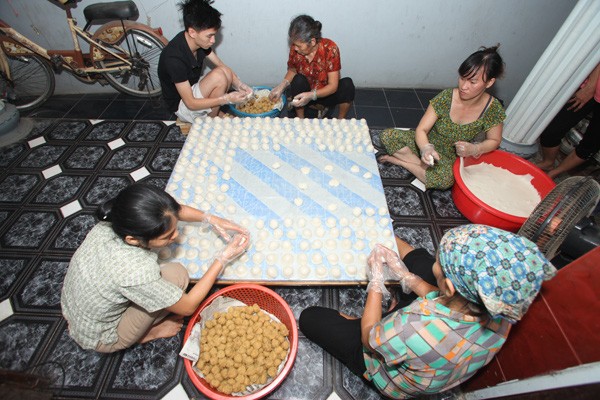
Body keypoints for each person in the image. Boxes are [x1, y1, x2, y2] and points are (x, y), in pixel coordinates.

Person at [300, 224, 556, 399]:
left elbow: (369, 337)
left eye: (441, 262)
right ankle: (390, 250)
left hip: (385, 366)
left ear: (449, 286)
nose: (438, 262)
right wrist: (405, 276)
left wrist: (376, 281)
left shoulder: (411, 327)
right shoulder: (501, 311)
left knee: (310, 318)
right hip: (437, 337)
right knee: (421, 264)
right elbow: (442, 294)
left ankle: (358, 320)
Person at [61, 183, 250, 353]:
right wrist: (222, 259)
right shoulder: (136, 270)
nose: (176, 236)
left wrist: (211, 219)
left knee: (159, 281)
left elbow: (172, 212)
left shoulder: (114, 221)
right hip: (100, 335)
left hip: (78, 307)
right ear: (133, 240)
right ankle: (146, 334)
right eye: (167, 236)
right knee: (177, 275)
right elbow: (188, 306)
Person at [377, 46, 506, 190]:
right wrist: (426, 148)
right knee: (387, 136)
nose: (464, 86)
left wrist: (475, 149)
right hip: (426, 143)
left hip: (448, 157)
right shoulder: (446, 97)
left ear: (489, 82)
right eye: (462, 78)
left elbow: (494, 140)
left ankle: (403, 162)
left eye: (472, 82)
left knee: (446, 180)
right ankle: (423, 167)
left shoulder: (492, 109)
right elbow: (422, 129)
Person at [157, 0, 253, 123]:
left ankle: (214, 114)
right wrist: (227, 99)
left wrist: (240, 85)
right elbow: (191, 103)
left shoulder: (198, 42)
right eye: (209, 36)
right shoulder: (174, 58)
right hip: (183, 105)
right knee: (219, 76)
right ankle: (210, 122)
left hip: (192, 90)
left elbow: (222, 66)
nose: (213, 40)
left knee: (224, 72)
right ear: (192, 32)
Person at [269, 14, 355, 119]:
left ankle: (341, 120)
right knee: (298, 80)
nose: (295, 48)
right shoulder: (296, 49)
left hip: (324, 93)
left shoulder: (330, 49)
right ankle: (301, 119)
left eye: (298, 46)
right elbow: (292, 70)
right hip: (304, 92)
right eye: (294, 44)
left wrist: (311, 95)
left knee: (347, 85)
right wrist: (281, 86)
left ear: (312, 42)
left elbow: (332, 86)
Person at [536, 62, 600, 179]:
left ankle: (554, 172)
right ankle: (548, 162)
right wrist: (590, 86)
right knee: (552, 128)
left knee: (589, 145)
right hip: (594, 88)